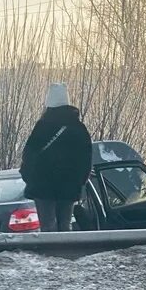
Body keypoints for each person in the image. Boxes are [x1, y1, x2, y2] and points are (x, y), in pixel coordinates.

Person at [20, 83, 92, 232]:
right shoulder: (79, 128)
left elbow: (29, 155)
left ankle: (49, 253)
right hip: (69, 186)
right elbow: (86, 159)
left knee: (48, 226)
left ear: (49, 105)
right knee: (65, 224)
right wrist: (80, 182)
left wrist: (29, 177)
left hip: (43, 186)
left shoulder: (42, 127)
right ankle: (66, 253)